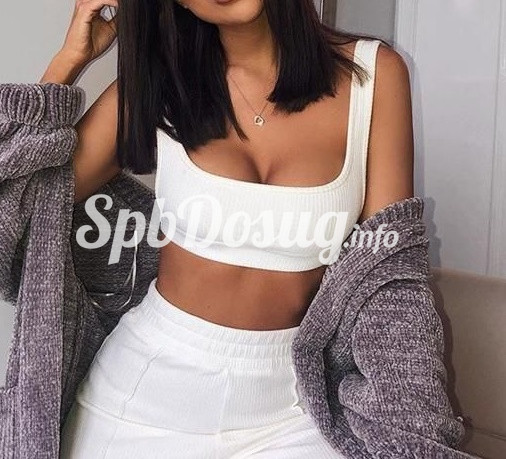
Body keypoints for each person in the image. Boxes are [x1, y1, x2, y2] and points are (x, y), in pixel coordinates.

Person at [40, 0, 412, 457]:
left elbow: (389, 276)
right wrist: (68, 62)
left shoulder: (374, 75)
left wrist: (408, 420)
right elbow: (18, 206)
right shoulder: (160, 84)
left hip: (290, 408)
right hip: (140, 397)